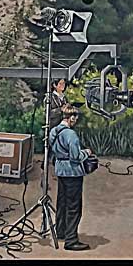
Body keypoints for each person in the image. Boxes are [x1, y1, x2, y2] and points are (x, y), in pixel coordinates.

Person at [48, 105, 89, 251]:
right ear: (71, 117)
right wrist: (87, 153)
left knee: (62, 203)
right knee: (73, 207)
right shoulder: (71, 134)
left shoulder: (53, 131)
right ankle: (71, 240)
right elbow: (75, 157)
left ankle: (61, 231)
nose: (75, 121)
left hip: (60, 171)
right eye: (75, 118)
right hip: (73, 172)